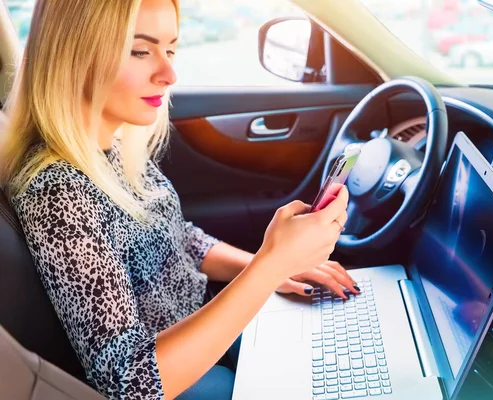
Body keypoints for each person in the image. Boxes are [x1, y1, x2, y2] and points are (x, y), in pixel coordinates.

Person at [0, 0, 358, 399]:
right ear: (73, 55)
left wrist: (272, 268)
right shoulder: (58, 193)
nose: (169, 74)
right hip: (173, 374)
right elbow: (131, 382)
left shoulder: (109, 147)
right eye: (140, 51)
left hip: (199, 326)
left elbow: (177, 239)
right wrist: (271, 265)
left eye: (170, 50)